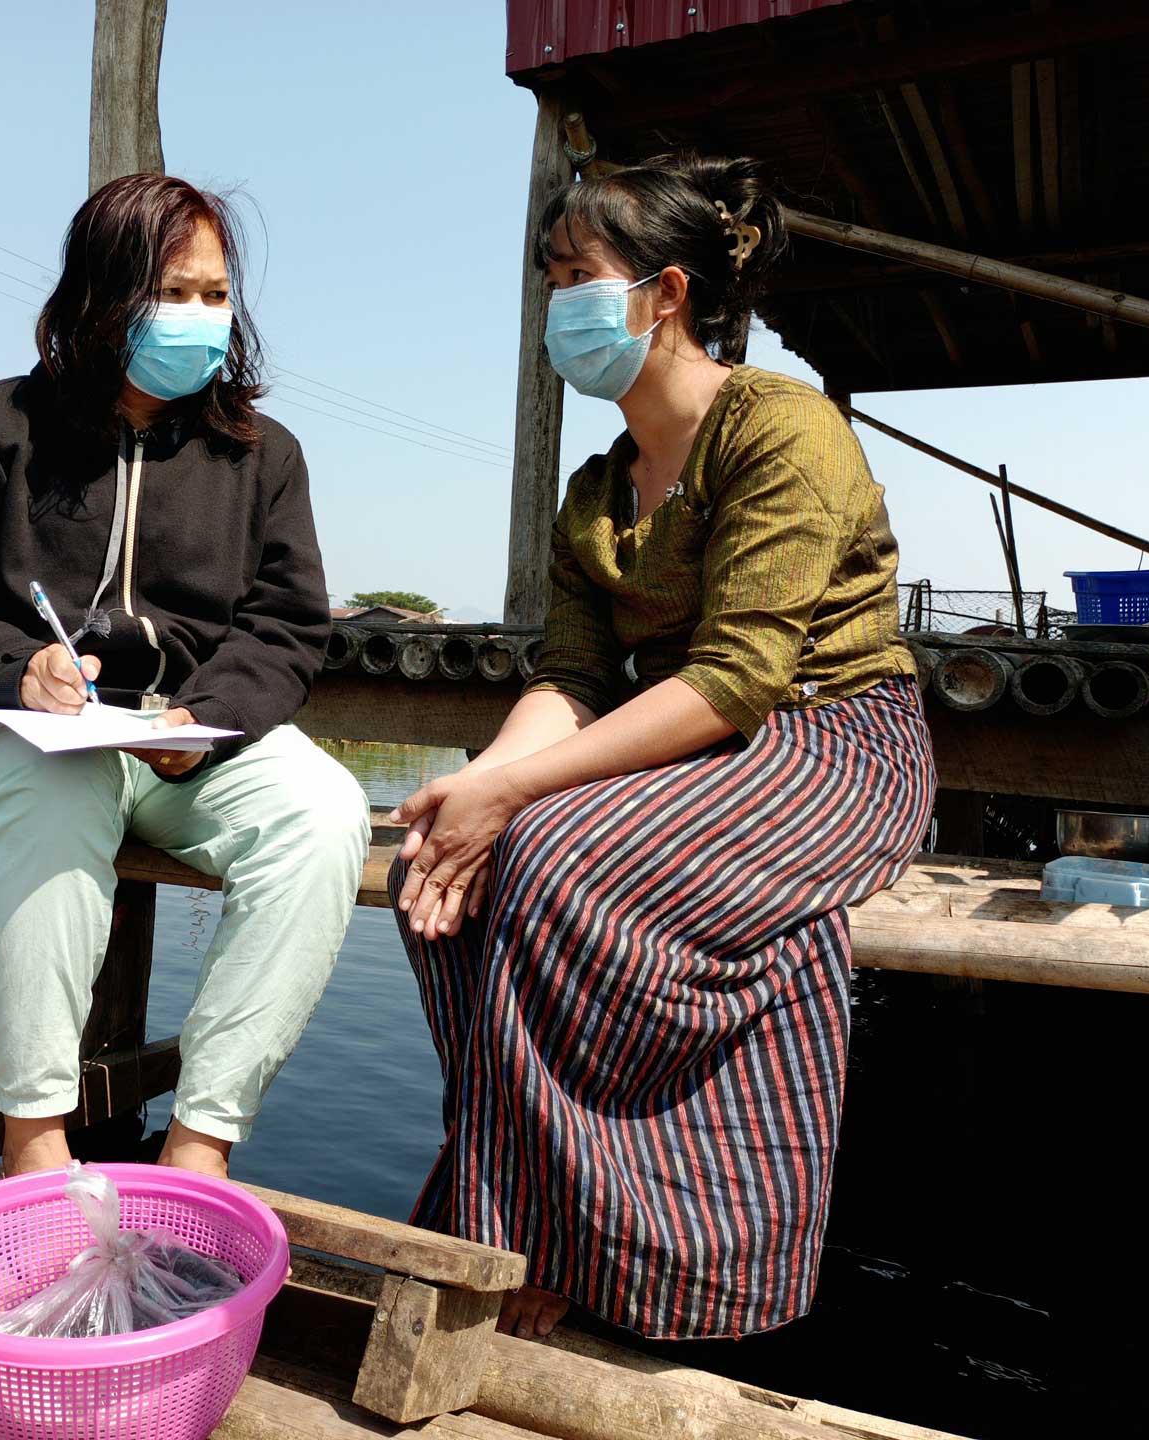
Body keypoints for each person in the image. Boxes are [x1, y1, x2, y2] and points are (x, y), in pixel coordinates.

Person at [387, 154, 936, 1342]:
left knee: (555, 859)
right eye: (549, 280)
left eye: (576, 275)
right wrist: (481, 786)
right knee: (430, 865)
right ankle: (534, 1210)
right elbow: (571, 680)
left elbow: (741, 676)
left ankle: (547, 1239)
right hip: (686, 751)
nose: (556, 306)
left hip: (832, 744)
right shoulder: (596, 492)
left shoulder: (781, 427)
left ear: (665, 291)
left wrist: (520, 802)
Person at [0, 174, 368, 1180]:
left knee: (322, 812)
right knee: (52, 794)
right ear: (102, 295)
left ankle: (201, 1139)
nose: (200, 315)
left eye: (216, 293)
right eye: (173, 291)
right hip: (35, 731)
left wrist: (207, 716)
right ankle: (35, 1139)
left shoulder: (262, 456)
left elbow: (285, 626)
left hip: (188, 741)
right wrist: (18, 668)